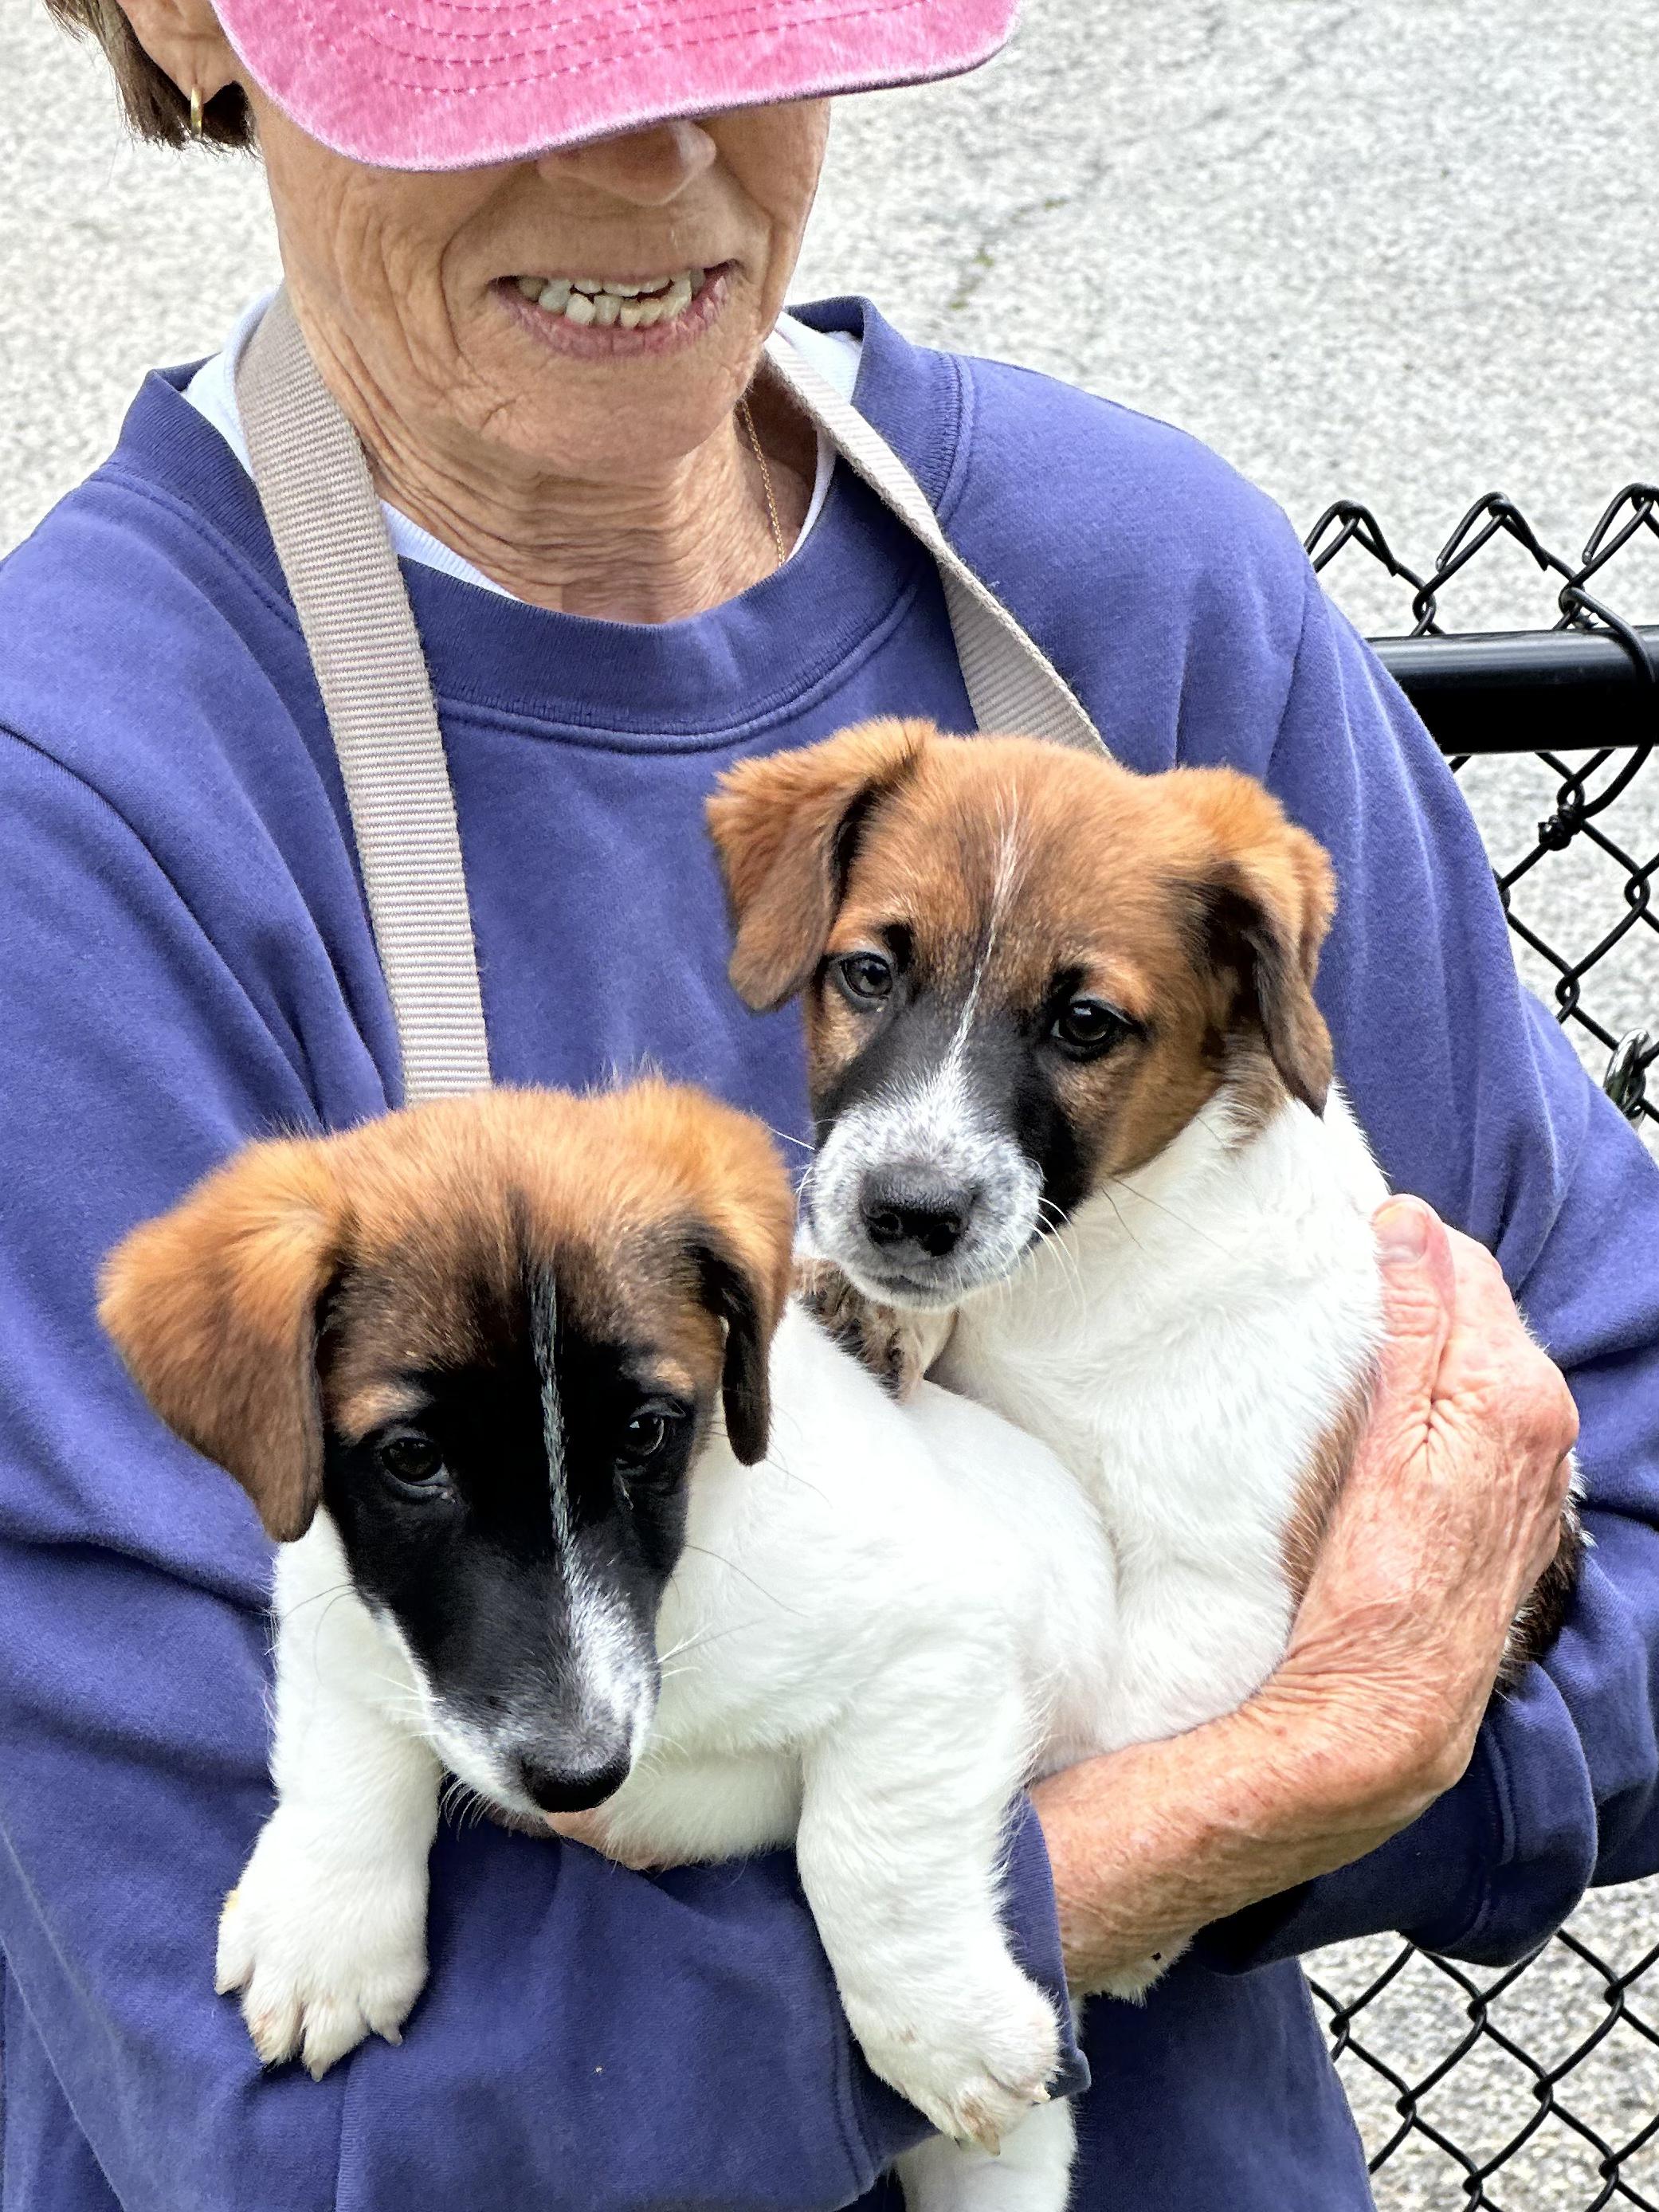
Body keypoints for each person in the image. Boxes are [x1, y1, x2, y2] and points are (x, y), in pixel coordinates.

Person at [0, 0, 1648, 2205]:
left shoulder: (1125, 585)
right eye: (485, 34)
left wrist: (1409, 1735)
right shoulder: (75, 821)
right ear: (186, 23)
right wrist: (1272, 1766)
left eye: (737, 8)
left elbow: (1630, 1501)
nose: (650, 146)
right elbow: (303, 2139)